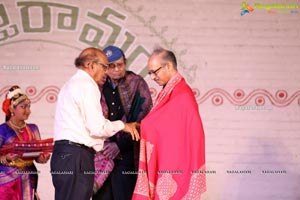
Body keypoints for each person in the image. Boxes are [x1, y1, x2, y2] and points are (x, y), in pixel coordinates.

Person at [50, 47, 140, 200]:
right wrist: (124, 126)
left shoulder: (71, 84)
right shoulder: (87, 85)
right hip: (76, 157)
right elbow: (97, 127)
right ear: (91, 65)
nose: (106, 72)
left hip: (64, 155)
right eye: (105, 66)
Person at [132, 47, 206, 199]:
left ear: (169, 66)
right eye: (150, 73)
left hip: (176, 164)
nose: (152, 77)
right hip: (168, 160)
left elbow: (182, 132)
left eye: (155, 71)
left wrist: (145, 125)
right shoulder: (170, 91)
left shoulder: (182, 95)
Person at [92, 46, 152, 200]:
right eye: (111, 66)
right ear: (104, 67)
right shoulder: (95, 86)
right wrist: (102, 145)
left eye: (121, 64)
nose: (117, 69)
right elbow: (90, 119)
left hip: (126, 154)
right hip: (101, 155)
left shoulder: (136, 83)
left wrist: (119, 146)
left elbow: (143, 119)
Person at [0, 85, 51, 200]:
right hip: (6, 184)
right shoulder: (2, 130)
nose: (28, 111)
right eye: (23, 107)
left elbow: (39, 155)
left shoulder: (33, 128)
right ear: (12, 109)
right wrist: (6, 158)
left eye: (29, 106)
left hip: (29, 178)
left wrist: (42, 158)